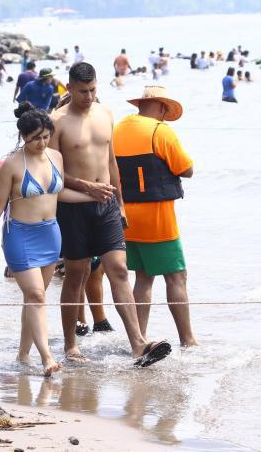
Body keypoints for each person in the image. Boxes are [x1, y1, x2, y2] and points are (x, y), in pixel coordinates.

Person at [50, 62, 172, 366]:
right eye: (82, 92)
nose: (88, 96)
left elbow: (112, 163)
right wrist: (87, 187)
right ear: (70, 88)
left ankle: (138, 345)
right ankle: (70, 346)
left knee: (118, 269)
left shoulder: (105, 114)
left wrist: (120, 204)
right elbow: (50, 173)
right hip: (73, 208)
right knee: (76, 275)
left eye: (93, 90)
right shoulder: (57, 122)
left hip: (106, 205)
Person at [0, 103, 90, 376]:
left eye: (46, 136)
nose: (42, 142)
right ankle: (47, 357)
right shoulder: (12, 164)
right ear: (23, 135)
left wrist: (92, 195)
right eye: (35, 137)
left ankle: (23, 354)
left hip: (50, 234)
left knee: (33, 299)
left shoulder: (56, 157)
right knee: (37, 295)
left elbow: (57, 194)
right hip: (20, 237)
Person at [114, 85, 197, 347]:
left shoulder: (117, 128)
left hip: (124, 216)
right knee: (176, 276)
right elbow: (186, 169)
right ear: (161, 107)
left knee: (142, 275)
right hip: (156, 217)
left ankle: (139, 339)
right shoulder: (160, 131)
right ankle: (188, 340)